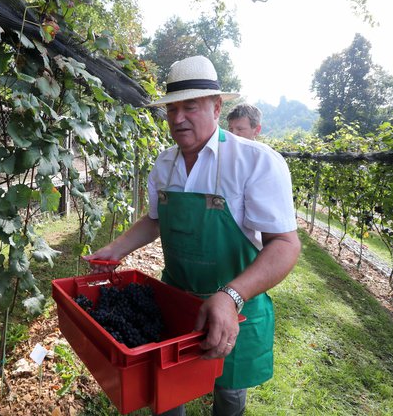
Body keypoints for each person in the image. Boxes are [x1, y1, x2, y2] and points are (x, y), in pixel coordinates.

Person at [83, 55, 300, 416]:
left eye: (191, 107)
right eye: (172, 109)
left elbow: (285, 244)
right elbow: (154, 220)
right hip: (176, 300)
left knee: (229, 392)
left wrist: (231, 296)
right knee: (169, 389)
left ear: (217, 107)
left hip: (238, 305)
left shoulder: (256, 162)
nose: (178, 118)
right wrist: (114, 250)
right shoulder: (165, 163)